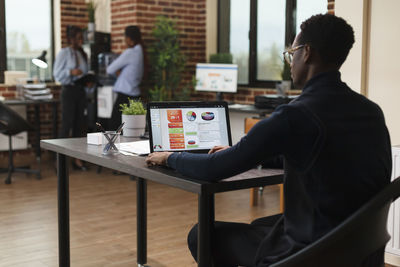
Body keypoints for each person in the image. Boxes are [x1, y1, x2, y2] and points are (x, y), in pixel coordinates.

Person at [145, 14, 392, 267]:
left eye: (291, 52)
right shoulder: (370, 111)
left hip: (313, 252)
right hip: (358, 248)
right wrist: (250, 152)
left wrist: (169, 157)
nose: (290, 61)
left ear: (306, 53)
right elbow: (326, 154)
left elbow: (213, 168)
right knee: (261, 224)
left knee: (202, 235)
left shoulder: (294, 114)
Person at [53, 25, 89, 171]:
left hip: (81, 92)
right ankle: (60, 162)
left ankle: (76, 160)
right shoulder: (64, 53)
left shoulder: (81, 54)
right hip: (68, 91)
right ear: (71, 38)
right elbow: (57, 75)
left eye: (82, 38)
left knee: (79, 126)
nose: (81, 41)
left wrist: (88, 80)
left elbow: (84, 72)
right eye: (78, 38)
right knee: (66, 125)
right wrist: (70, 72)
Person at [106, 25, 145, 131]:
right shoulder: (141, 51)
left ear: (128, 38)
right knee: (131, 129)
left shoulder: (130, 52)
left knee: (114, 127)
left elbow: (110, 69)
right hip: (136, 95)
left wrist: (119, 71)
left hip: (124, 96)